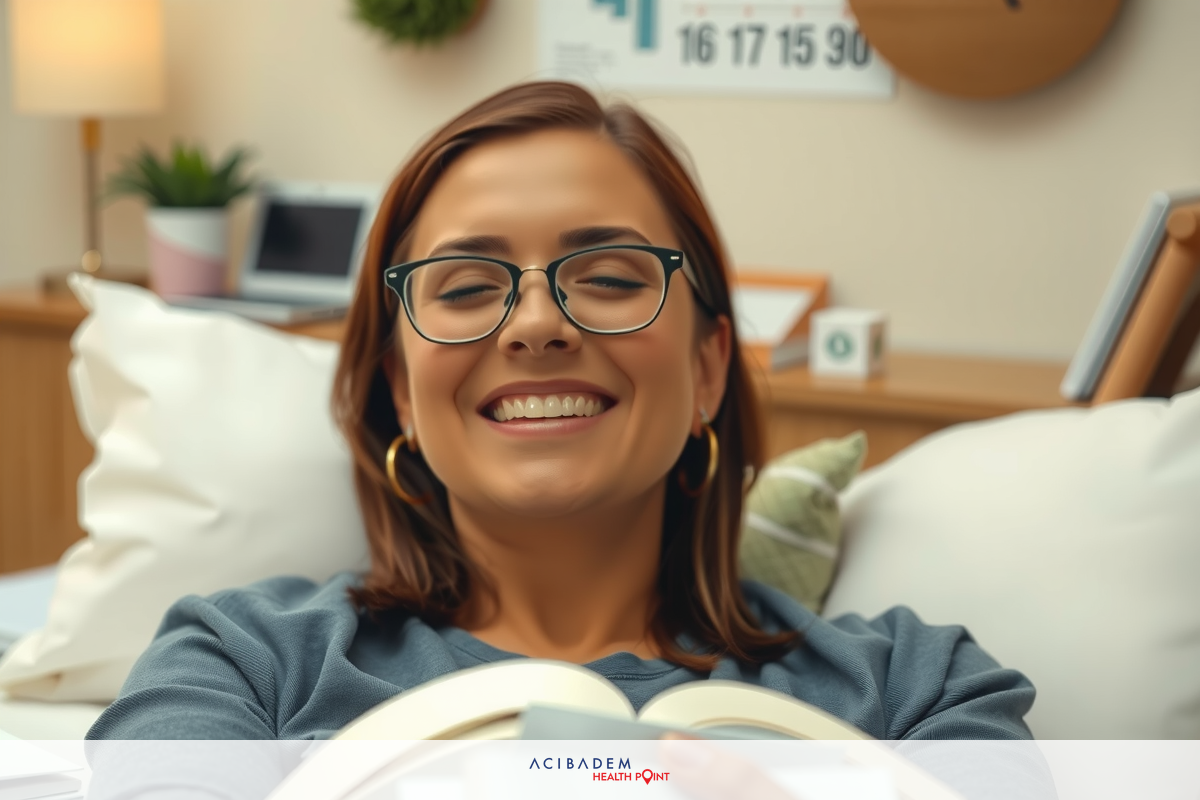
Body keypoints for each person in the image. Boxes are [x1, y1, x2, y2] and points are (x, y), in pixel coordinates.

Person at [86, 81, 1034, 746]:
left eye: (612, 278)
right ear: (398, 387)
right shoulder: (238, 665)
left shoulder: (923, 694)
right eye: (464, 288)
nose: (536, 324)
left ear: (708, 370)